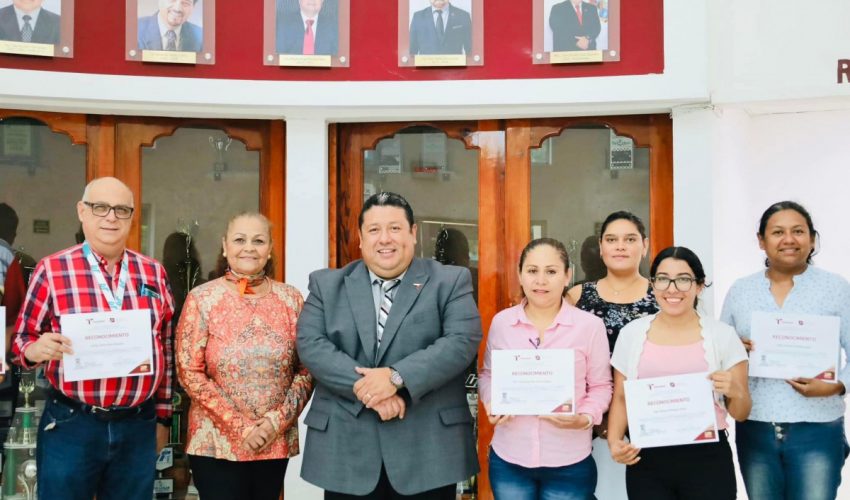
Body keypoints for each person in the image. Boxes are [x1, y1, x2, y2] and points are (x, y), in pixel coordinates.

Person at [296, 191, 481, 498]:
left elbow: (461, 340)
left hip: (427, 450)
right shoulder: (326, 284)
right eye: (374, 230)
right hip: (347, 449)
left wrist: (396, 377)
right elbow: (312, 344)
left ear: (413, 232)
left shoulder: (450, 281)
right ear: (360, 238)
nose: (385, 239)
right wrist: (373, 390)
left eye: (395, 228)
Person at [11, 177, 174, 500]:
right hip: (72, 424)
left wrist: (164, 417)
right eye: (100, 207)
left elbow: (166, 347)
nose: (111, 217)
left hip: (137, 423)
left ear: (131, 217)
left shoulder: (153, 273)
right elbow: (20, 340)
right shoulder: (52, 270)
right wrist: (34, 349)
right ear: (82, 212)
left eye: (121, 210)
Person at [176, 212, 313, 500]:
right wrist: (241, 427)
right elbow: (189, 371)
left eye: (258, 240)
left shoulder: (291, 299)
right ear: (225, 247)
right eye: (240, 240)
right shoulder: (202, 298)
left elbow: (307, 369)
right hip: (215, 442)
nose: (249, 247)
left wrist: (275, 423)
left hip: (272, 442)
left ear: (270, 248)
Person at [721, 201, 850, 500]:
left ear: (812, 238)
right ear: (761, 241)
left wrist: (836, 386)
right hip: (756, 426)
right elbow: (718, 355)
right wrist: (734, 349)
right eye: (778, 232)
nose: (788, 239)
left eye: (798, 231)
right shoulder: (741, 290)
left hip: (818, 427)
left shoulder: (837, 288)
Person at [608, 246, 750, 500]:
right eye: (662, 279)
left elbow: (741, 412)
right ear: (652, 285)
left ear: (699, 286)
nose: (672, 289)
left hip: (707, 459)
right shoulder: (632, 333)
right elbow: (621, 396)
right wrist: (615, 441)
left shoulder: (722, 335)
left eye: (683, 279)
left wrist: (735, 391)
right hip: (647, 458)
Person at [479, 238, 612, 499]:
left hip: (570, 460)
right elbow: (488, 375)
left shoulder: (589, 326)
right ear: (520, 275)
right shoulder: (502, 323)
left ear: (567, 276)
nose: (541, 281)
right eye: (532, 271)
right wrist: (492, 400)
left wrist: (584, 417)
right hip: (510, 458)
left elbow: (601, 386)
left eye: (551, 271)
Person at [566, 211, 657, 498]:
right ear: (601, 248)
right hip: (585, 419)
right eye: (612, 240)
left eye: (630, 239)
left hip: (651, 416)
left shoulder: (664, 294)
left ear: (645, 246)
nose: (620, 246)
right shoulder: (576, 296)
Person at [138, 0, 203, 52]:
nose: (177, 9)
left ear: (193, 7)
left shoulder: (201, 37)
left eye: (185, 3)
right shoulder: (135, 30)